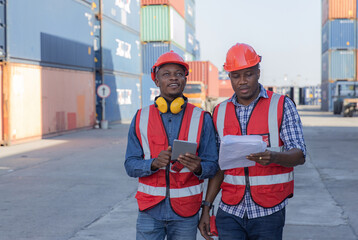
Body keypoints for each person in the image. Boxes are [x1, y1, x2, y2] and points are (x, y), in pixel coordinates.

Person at [198, 43, 306, 240]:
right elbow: (218, 166)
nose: (242, 81)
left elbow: (299, 155)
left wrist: (274, 156)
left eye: (248, 74)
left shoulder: (281, 105)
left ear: (258, 72)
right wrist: (207, 207)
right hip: (230, 211)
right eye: (236, 76)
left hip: (269, 212)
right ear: (229, 77)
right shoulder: (220, 112)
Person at [125, 51, 219, 240]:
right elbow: (130, 165)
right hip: (149, 210)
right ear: (157, 80)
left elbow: (213, 166)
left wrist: (199, 167)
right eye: (166, 74)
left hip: (186, 212)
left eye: (178, 73)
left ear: (185, 79)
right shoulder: (140, 117)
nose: (173, 77)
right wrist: (152, 164)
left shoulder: (202, 118)